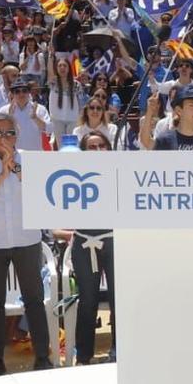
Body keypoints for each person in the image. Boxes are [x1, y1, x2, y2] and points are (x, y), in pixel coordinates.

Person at [0, 112, 51, 372]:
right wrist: (1, 173)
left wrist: (13, 166)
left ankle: (42, 357)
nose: (4, 138)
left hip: (27, 239)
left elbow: (38, 188)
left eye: (9, 133)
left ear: (17, 135)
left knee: (34, 300)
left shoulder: (28, 159)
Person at [65, 131, 117, 366]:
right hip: (84, 242)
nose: (97, 151)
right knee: (88, 300)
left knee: (119, 299)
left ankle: (119, 350)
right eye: (91, 147)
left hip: (114, 240)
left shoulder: (119, 174)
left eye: (101, 146)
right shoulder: (72, 176)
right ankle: (84, 355)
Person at [142, 82, 193, 150]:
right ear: (178, 110)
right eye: (192, 105)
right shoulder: (165, 141)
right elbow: (146, 142)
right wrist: (149, 112)